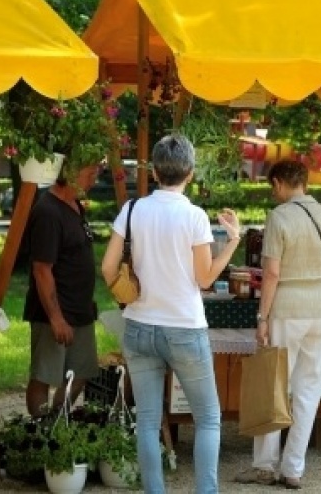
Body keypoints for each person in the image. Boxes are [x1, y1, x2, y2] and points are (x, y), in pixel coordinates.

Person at [102, 134, 238, 494]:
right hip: (184, 328)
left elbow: (107, 267)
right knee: (208, 419)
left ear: (154, 171)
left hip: (139, 324)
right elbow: (206, 278)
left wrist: (128, 291)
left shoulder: (131, 210)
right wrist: (233, 243)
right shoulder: (194, 216)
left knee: (147, 420)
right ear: (189, 173)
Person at [236, 159, 321, 490]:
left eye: (272, 186)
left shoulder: (279, 217)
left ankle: (265, 464)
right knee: (309, 389)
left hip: (288, 308)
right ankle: (293, 467)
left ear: (280, 183)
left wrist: (261, 317)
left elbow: (272, 273)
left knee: (274, 385)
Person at [21, 158, 103, 416]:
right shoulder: (47, 211)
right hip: (54, 312)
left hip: (80, 310)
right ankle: (39, 432)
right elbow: (42, 269)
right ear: (70, 172)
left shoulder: (75, 205)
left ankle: (59, 422)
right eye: (91, 173)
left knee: (82, 371)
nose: (95, 180)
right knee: (44, 374)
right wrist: (56, 318)